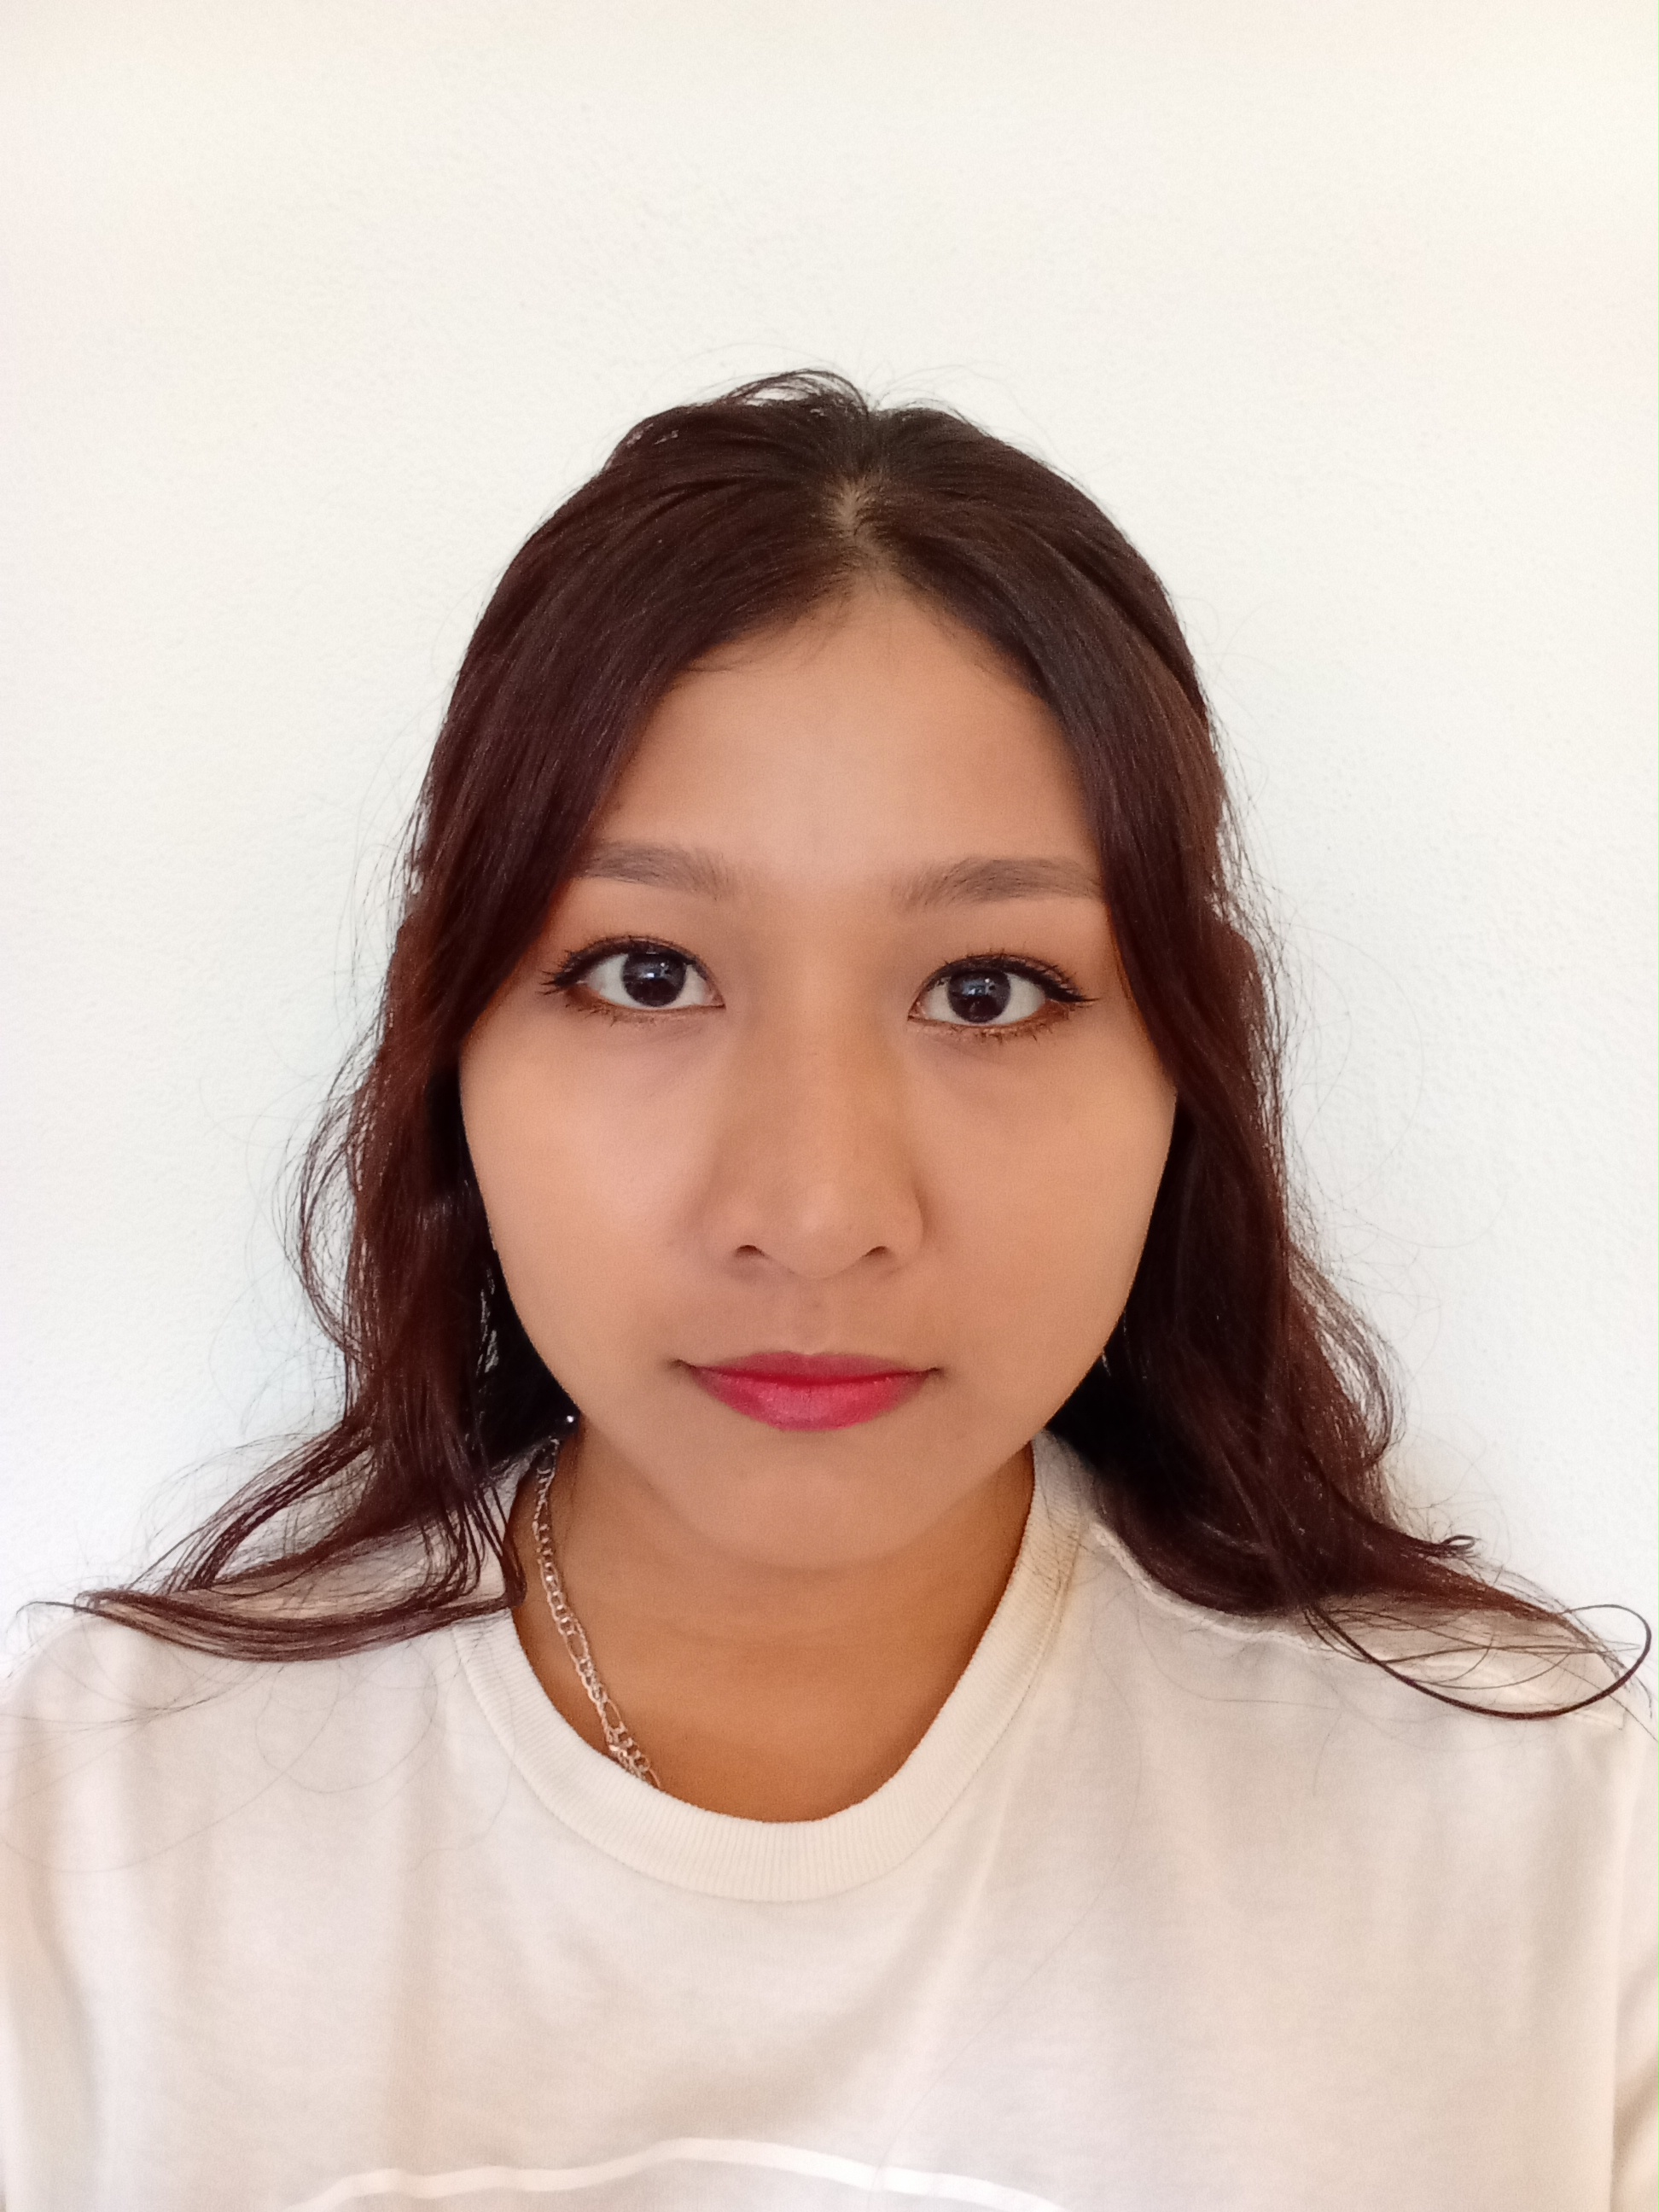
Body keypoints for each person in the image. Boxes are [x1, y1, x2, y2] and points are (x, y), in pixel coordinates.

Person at [1, 373, 1653, 2212]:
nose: (813, 1213)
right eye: (645, 973)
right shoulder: (98, 1837)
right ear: (445, 1032)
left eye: (986, 992)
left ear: (1191, 1059)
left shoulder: (1544, 1856)